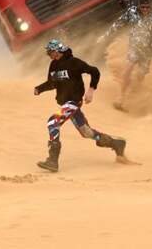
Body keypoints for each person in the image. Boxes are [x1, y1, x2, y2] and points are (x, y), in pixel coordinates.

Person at [35, 40, 127, 172]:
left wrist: (91, 90)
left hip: (73, 102)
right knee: (86, 132)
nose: (49, 54)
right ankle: (117, 144)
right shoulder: (53, 65)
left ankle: (52, 160)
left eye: (50, 52)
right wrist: (39, 89)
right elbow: (52, 83)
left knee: (53, 122)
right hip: (65, 103)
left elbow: (94, 72)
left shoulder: (74, 62)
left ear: (57, 50)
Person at [99, 0, 152, 111]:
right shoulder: (132, 12)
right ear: (139, 6)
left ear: (151, 6)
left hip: (148, 51)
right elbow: (118, 24)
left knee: (140, 75)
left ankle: (134, 97)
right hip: (135, 47)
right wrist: (105, 36)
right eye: (143, 7)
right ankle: (121, 98)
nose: (145, 10)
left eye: (147, 7)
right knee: (128, 69)